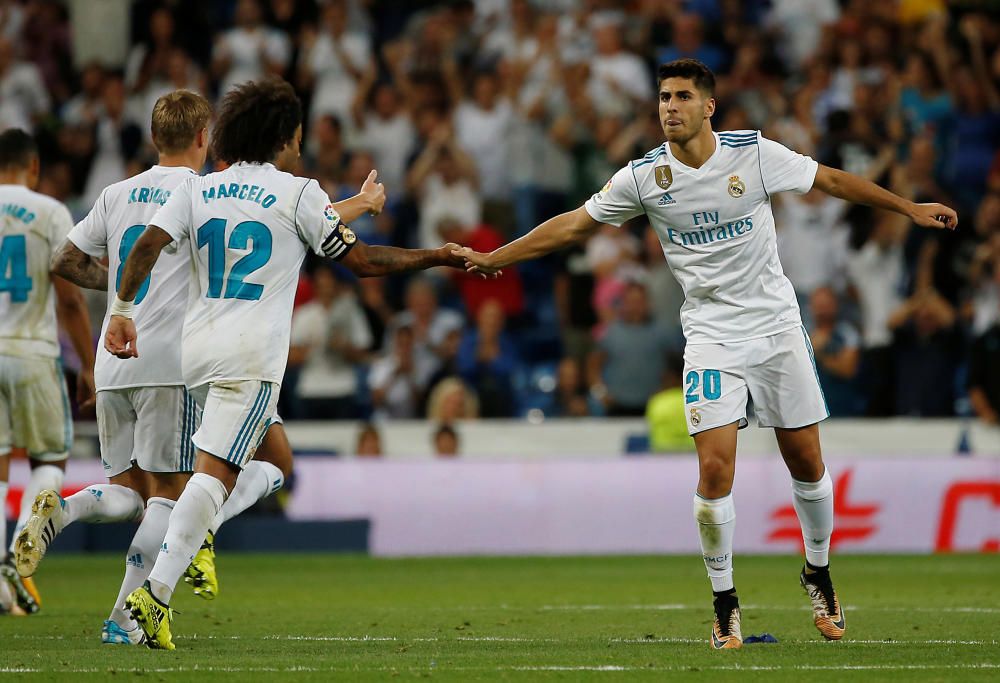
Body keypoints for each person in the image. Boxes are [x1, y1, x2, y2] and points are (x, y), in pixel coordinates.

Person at [454, 58, 958, 649]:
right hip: (712, 335)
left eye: (682, 96)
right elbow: (572, 226)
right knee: (715, 469)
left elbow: (831, 180)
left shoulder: (753, 153)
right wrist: (497, 259)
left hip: (776, 327)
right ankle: (724, 603)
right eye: (664, 97)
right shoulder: (644, 178)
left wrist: (908, 208)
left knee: (808, 464)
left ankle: (817, 570)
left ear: (708, 106)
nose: (670, 106)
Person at [106, 77, 463, 650]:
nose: (299, 147)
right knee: (216, 474)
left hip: (196, 353)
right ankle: (157, 595)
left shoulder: (200, 188)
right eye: (296, 137)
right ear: (283, 138)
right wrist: (439, 257)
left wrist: (121, 311)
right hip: (250, 355)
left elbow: (146, 245)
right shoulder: (300, 192)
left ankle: (197, 536)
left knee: (276, 459)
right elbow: (364, 262)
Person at [13, 91, 293, 643]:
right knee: (169, 494)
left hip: (113, 358)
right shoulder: (200, 189)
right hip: (171, 361)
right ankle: (124, 621)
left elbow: (64, 260)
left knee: (131, 494)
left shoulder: (118, 192)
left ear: (152, 137)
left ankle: (64, 511)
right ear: (202, 138)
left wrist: (121, 289)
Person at [0, 128, 95, 614]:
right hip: (34, 350)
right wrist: (88, 365)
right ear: (33, 167)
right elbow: (70, 296)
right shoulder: (48, 211)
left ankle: (0, 575)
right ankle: (18, 554)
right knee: (50, 462)